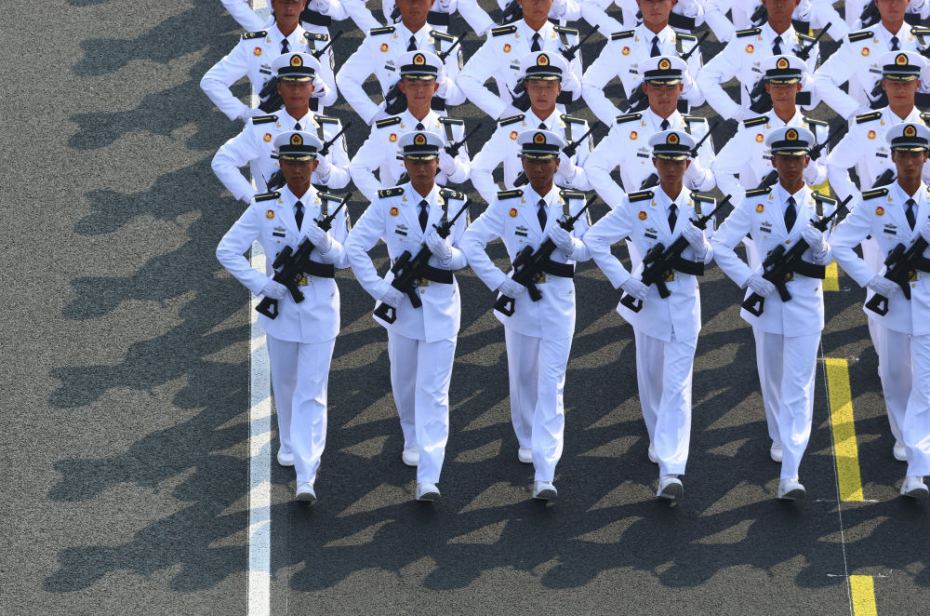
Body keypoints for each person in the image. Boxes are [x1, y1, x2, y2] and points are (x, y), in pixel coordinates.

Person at [216, 131, 351, 502]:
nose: (297, 170)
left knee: (313, 392)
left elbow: (346, 259)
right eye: (289, 162)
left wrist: (327, 244)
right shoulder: (264, 207)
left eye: (303, 162)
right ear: (280, 164)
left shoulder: (331, 206)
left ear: (315, 164)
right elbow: (226, 250)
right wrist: (262, 285)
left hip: (321, 310)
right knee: (286, 384)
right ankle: (290, 443)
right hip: (282, 311)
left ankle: (307, 474)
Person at [461, 130, 592, 501]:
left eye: (545, 161)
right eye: (531, 160)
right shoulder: (508, 203)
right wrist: (499, 282)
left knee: (552, 385)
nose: (538, 168)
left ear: (557, 163)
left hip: (559, 303)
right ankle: (527, 438)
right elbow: (471, 241)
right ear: (521, 162)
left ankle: (545, 473)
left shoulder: (573, 202)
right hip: (520, 303)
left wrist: (572, 245)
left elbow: (589, 250)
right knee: (522, 378)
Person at [583, 129, 713, 501]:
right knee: (652, 383)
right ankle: (660, 438)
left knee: (678, 387)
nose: (671, 168)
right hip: (649, 306)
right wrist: (623, 279)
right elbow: (594, 239)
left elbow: (708, 258)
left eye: (678, 162)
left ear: (687, 164)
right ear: (654, 163)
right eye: (665, 161)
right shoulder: (636, 204)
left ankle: (671, 468)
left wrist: (702, 245)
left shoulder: (702, 207)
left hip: (685, 306)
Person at [711, 126, 835, 501]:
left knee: (799, 388)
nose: (791, 165)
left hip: (806, 306)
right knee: (772, 382)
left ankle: (791, 472)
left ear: (807, 161)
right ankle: (780, 437)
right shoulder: (755, 202)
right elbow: (720, 244)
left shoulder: (824, 207)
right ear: (773, 161)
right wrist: (749, 278)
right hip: (767, 304)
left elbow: (827, 260)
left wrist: (822, 248)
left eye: (797, 159)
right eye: (784, 159)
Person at [345, 131, 470, 502]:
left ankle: (429, 477)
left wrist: (447, 254)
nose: (421, 168)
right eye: (413, 161)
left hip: (442, 306)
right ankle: (411, 435)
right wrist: (379, 289)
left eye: (427, 161)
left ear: (438, 163)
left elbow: (466, 256)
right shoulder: (388, 202)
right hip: (401, 305)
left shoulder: (456, 204)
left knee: (435, 392)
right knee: (404, 381)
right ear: (404, 163)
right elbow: (355, 246)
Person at [830, 122, 930, 500]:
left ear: (926, 157)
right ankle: (905, 438)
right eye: (902, 155)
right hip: (892, 306)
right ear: (892, 157)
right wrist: (871, 280)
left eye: (915, 155)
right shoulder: (875, 201)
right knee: (894, 377)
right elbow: (840, 243)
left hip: (928, 305)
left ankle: (917, 470)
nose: (909, 162)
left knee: (926, 386)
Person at [212, 52, 350, 203]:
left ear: (312, 89)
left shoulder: (331, 127)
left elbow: (343, 179)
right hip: (274, 212)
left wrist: (326, 171)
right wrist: (253, 200)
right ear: (279, 88)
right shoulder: (260, 128)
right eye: (289, 85)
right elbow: (222, 161)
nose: (296, 91)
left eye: (303, 85)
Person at [584, 55, 715, 208]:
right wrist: (625, 207)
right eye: (657, 88)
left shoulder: (698, 128)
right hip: (641, 216)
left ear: (680, 88)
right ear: (645, 89)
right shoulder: (626, 128)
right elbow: (594, 167)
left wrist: (697, 174)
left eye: (670, 88)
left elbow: (710, 183)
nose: (664, 95)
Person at [470, 51, 592, 204]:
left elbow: (589, 183)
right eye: (536, 86)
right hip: (520, 208)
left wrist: (570, 172)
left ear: (559, 89)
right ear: (527, 87)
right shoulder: (508, 129)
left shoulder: (578, 128)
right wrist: (502, 204)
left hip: (564, 210)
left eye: (550, 86)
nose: (542, 92)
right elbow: (478, 169)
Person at [349, 51, 470, 201]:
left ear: (436, 87)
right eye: (412, 84)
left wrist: (453, 168)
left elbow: (464, 175)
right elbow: (358, 167)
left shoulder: (452, 128)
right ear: (402, 87)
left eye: (426, 84)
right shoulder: (386, 129)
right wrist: (384, 201)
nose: (419, 90)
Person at [712, 54, 829, 206]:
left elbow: (821, 177)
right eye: (777, 86)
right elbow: (721, 169)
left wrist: (810, 168)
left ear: (799, 88)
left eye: (788, 86)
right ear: (768, 88)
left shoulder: (817, 130)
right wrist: (746, 204)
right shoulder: (752, 130)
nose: (782, 92)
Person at [201, 0, 338, 122]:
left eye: (294, 2)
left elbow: (330, 99)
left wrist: (316, 82)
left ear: (303, 5)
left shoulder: (318, 44)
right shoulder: (253, 45)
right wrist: (244, 113)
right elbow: (211, 81)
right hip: (269, 131)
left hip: (308, 130)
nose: (289, 8)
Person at [335, 0, 465, 126]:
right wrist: (376, 116)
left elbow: (459, 98)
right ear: (397, 2)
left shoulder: (448, 44)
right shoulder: (379, 40)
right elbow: (345, 78)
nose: (414, 5)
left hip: (435, 126)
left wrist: (442, 84)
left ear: (431, 3)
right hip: (393, 124)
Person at [581, 0, 704, 126]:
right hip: (639, 127)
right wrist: (619, 123)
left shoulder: (688, 45)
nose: (655, 6)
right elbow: (589, 84)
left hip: (678, 128)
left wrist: (683, 75)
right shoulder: (621, 44)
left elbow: (698, 99)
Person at [457, 0, 583, 121]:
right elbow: (467, 78)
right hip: (516, 125)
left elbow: (575, 93)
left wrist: (567, 75)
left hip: (556, 123)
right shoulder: (501, 39)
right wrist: (504, 111)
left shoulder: (568, 39)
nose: (538, 3)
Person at [697, 0, 821, 122]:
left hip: (792, 127)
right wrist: (737, 112)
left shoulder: (809, 46)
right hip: (754, 121)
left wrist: (801, 75)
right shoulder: (744, 43)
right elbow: (706, 76)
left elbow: (811, 103)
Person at [814, 0, 930, 121]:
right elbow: (822, 79)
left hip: (915, 125)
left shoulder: (924, 41)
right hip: (871, 124)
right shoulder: (858, 43)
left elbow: (923, 10)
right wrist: (857, 111)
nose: (893, 4)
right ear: (876, 3)